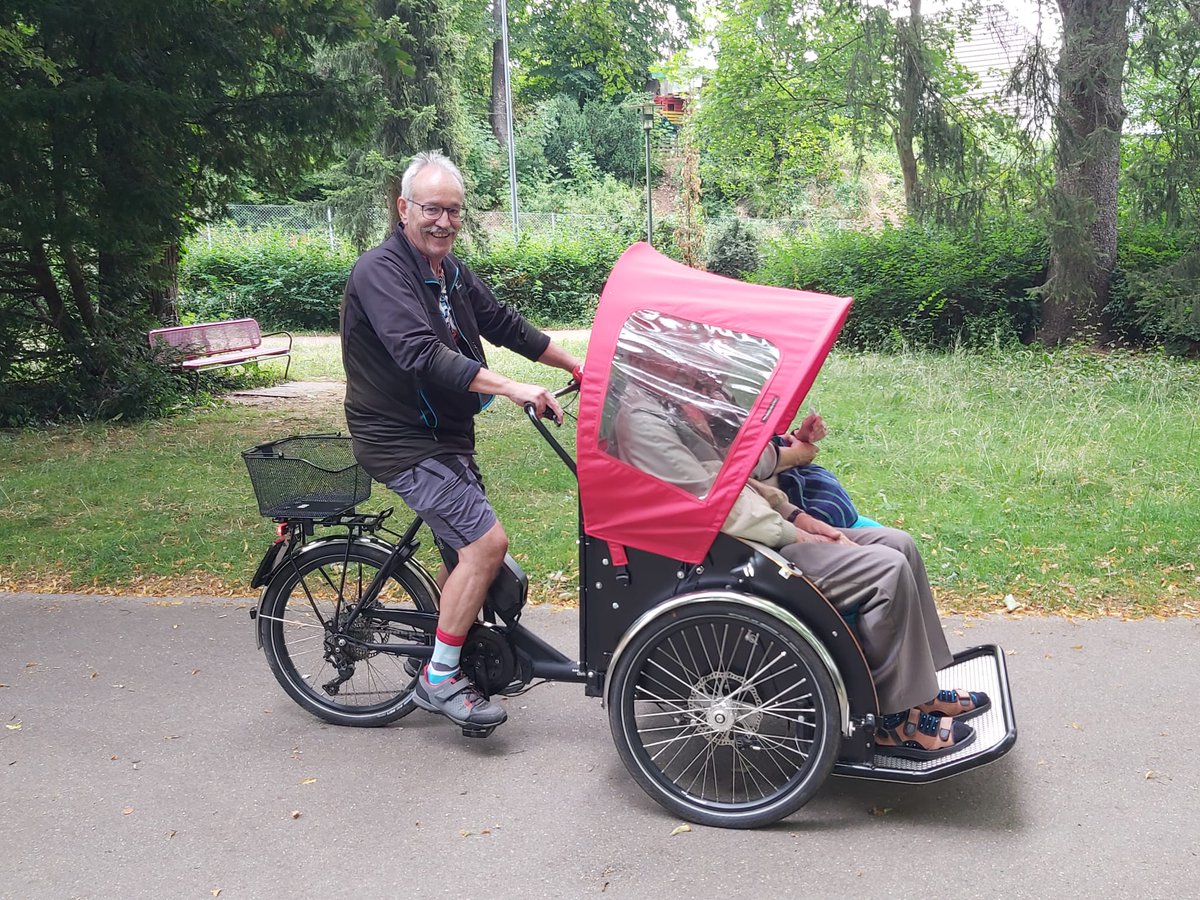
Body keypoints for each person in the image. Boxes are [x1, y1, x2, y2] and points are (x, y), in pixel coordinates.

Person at [612, 360, 989, 761]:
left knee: (900, 544)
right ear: (644, 359)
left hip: (761, 531)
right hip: (742, 552)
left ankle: (920, 692)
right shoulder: (645, 422)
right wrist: (800, 533)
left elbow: (736, 478)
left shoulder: (673, 402)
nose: (692, 365)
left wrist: (798, 515)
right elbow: (717, 506)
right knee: (886, 570)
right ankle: (889, 721)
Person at [340, 150, 582, 733]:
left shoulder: (449, 272)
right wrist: (512, 387)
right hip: (398, 439)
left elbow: (505, 324)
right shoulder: (381, 272)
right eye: (432, 209)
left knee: (468, 553)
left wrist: (578, 365)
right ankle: (441, 677)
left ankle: (450, 646)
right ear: (404, 208)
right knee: (484, 546)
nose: (444, 221)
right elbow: (420, 354)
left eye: (453, 211)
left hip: (444, 434)